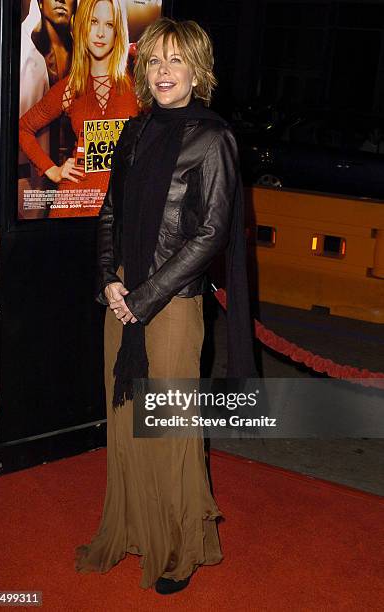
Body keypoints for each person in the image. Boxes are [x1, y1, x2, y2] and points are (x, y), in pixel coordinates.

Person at [74, 17, 257, 594]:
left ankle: (180, 547)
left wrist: (146, 297)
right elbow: (110, 212)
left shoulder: (214, 137)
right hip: (123, 298)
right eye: (155, 60)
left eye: (176, 61)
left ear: (197, 70)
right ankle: (129, 528)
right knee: (125, 421)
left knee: (170, 426)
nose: (164, 72)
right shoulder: (135, 132)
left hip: (170, 302)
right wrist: (109, 279)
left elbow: (212, 231)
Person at [19, 0, 139, 218]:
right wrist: (53, 170)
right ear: (82, 25)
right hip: (74, 203)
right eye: (94, 22)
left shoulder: (136, 84)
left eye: (109, 25)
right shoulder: (69, 87)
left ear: (118, 31)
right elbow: (22, 128)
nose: (101, 33)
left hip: (121, 204)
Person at [19, 0, 77, 218]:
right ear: (40, 3)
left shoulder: (88, 52)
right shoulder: (26, 52)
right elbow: (23, 127)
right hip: (34, 176)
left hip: (78, 182)